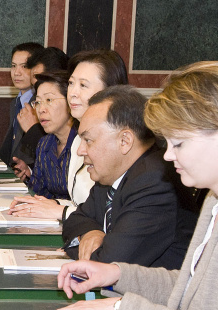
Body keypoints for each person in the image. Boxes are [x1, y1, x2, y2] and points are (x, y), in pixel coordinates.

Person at [51, 62, 218, 310]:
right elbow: (188, 290)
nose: (168, 155)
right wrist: (118, 274)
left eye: (179, 143)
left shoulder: (160, 180)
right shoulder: (213, 200)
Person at [62, 85, 198, 269]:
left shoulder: (155, 182)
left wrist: (83, 245)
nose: (80, 150)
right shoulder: (112, 173)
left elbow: (107, 265)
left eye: (88, 140)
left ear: (125, 141)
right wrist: (90, 232)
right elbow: (76, 218)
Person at [10, 49, 128, 220]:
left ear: (111, 91)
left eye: (83, 85)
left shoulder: (118, 142)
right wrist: (40, 204)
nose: (72, 93)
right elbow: (82, 205)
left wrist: (60, 211)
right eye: (71, 83)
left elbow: (108, 215)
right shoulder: (77, 142)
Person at [16, 71, 76, 200]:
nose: (41, 109)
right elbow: (37, 193)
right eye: (37, 102)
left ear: (71, 102)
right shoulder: (44, 144)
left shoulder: (84, 144)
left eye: (49, 100)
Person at [12, 47, 70, 176]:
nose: (41, 107)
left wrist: (33, 130)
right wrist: (30, 172)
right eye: (35, 87)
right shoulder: (32, 104)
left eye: (49, 98)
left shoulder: (81, 139)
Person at [0, 42, 44, 166]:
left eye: (24, 66)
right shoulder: (15, 103)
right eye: (13, 66)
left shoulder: (41, 105)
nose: (16, 72)